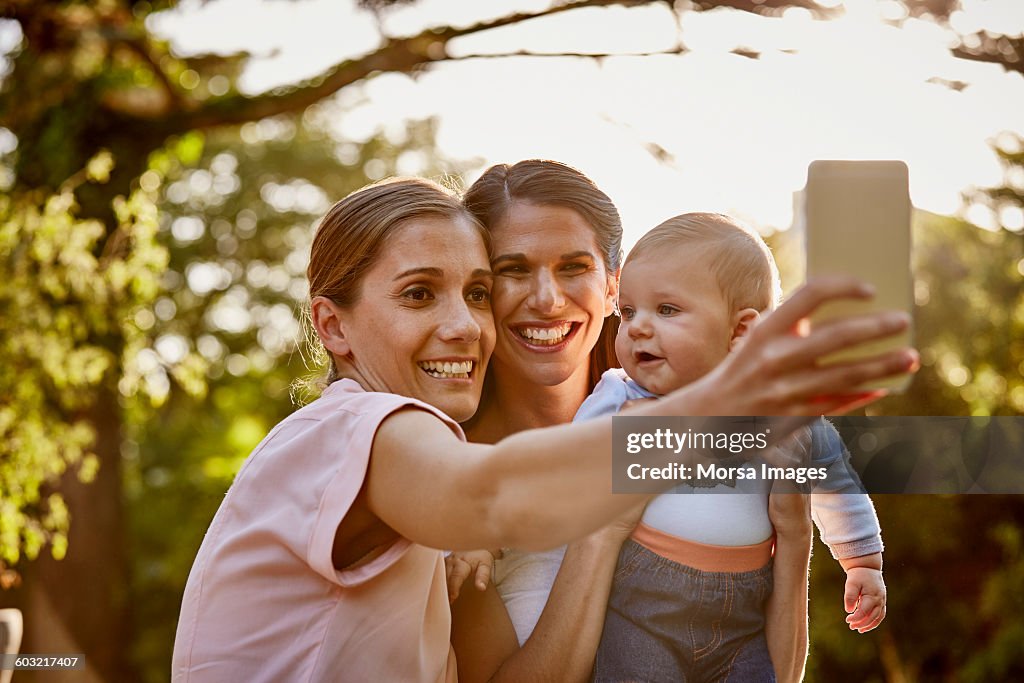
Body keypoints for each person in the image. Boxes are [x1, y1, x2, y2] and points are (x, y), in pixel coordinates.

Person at [171, 175, 915, 683]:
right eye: (420, 293)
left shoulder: (443, 457)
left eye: (474, 291)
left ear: (613, 286)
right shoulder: (356, 428)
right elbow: (486, 497)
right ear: (332, 325)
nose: (464, 323)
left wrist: (800, 538)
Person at [447, 161, 902, 683]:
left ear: (610, 285)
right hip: (648, 604)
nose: (548, 299)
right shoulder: (608, 407)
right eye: (513, 269)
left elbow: (835, 483)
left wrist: (841, 552)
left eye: (573, 266)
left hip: (741, 605)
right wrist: (491, 533)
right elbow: (554, 473)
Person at [577, 213, 887, 683]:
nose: (637, 328)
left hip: (744, 616)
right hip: (642, 606)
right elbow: (556, 462)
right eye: (628, 312)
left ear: (741, 331)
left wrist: (862, 561)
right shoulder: (621, 396)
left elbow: (834, 477)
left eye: (666, 310)